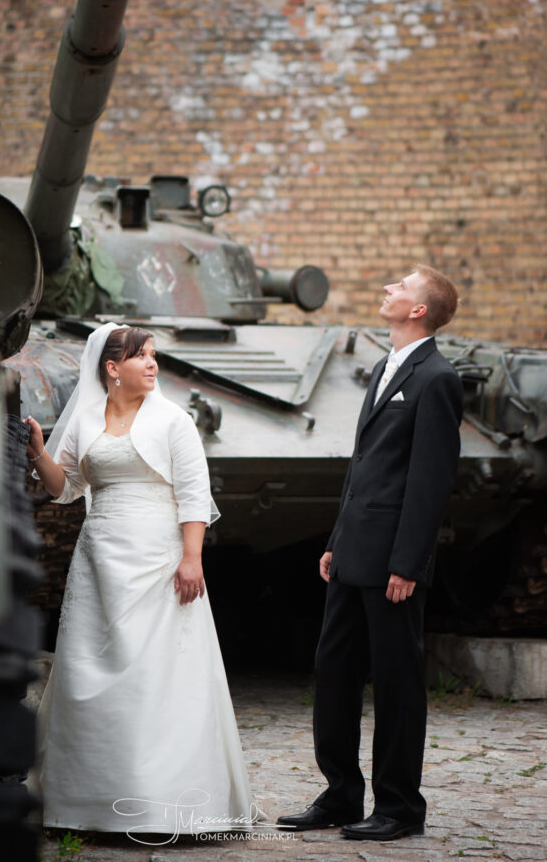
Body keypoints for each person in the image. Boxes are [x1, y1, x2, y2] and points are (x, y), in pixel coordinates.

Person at [24, 322, 255, 839]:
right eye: (140, 356)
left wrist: (191, 557)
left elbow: (194, 493)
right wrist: (40, 451)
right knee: (89, 670)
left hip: (161, 562)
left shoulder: (174, 421)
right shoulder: (85, 419)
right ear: (112, 368)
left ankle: (165, 805)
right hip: (99, 562)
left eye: (154, 355)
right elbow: (65, 489)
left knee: (159, 676)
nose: (152, 364)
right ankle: (87, 804)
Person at [278, 265, 464, 841]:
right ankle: (340, 795)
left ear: (419, 310)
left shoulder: (437, 378)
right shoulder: (384, 368)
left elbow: (430, 480)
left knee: (396, 684)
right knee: (334, 673)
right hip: (352, 554)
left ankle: (400, 808)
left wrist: (408, 563)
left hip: (392, 566)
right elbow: (364, 467)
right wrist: (336, 540)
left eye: (400, 287)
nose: (388, 289)